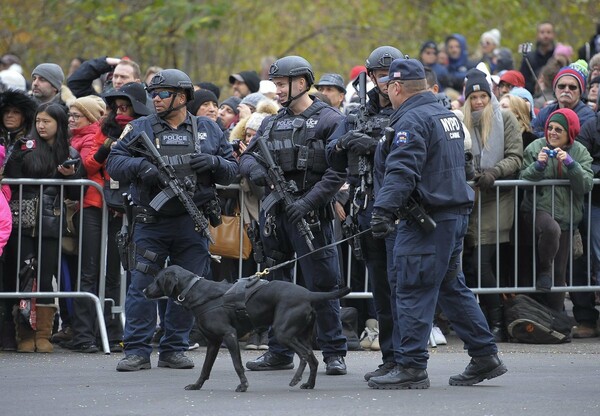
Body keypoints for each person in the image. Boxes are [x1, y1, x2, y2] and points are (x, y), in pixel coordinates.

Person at [367, 58, 506, 389]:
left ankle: (412, 366)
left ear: (398, 88)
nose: (387, 92)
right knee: (449, 286)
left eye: (389, 86)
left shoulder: (412, 120)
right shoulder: (445, 115)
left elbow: (402, 170)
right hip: (451, 214)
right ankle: (485, 355)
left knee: (412, 285)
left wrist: (382, 210)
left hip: (428, 220)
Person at [106, 68, 238, 371]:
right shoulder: (141, 127)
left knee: (189, 289)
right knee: (142, 284)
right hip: (152, 221)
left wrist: (214, 162)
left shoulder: (209, 128)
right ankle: (137, 350)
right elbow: (114, 162)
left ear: (182, 97)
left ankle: (174, 348)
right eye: (153, 93)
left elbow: (232, 169)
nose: (156, 99)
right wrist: (143, 167)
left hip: (192, 222)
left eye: (163, 93)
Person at [239, 55, 348, 375]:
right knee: (276, 286)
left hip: (312, 215)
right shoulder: (272, 121)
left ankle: (333, 352)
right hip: (277, 215)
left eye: (283, 84)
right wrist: (261, 173)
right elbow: (246, 159)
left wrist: (308, 202)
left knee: (323, 283)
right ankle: (280, 350)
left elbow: (336, 172)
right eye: (276, 84)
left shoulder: (329, 119)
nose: (278, 90)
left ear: (302, 83)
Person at [327, 45, 404, 381]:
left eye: (391, 74)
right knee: (383, 292)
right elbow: (331, 154)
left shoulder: (411, 111)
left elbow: (414, 153)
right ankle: (391, 358)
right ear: (371, 76)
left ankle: (407, 359)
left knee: (402, 287)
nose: (386, 81)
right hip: (365, 208)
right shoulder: (358, 112)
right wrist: (345, 143)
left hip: (401, 210)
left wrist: (375, 147)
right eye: (380, 74)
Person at [73, 82, 153, 353]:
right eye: (117, 107)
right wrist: (108, 146)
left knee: (115, 274)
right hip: (95, 206)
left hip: (126, 209)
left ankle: (113, 331)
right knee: (89, 271)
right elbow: (87, 166)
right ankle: (84, 333)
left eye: (126, 106)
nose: (121, 111)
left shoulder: (146, 130)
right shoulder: (101, 131)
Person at [3, 102, 85, 353]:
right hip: (23, 222)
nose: (41, 126)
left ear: (58, 124)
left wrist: (69, 176)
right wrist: (16, 154)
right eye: (38, 121)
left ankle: (43, 334)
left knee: (47, 278)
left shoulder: (68, 151)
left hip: (51, 222)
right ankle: (24, 334)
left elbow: (75, 193)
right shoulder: (24, 147)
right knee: (24, 277)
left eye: (47, 121)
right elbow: (11, 180)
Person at [460, 68, 523, 342]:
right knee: (470, 266)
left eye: (483, 96)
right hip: (469, 198)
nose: (478, 102)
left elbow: (516, 157)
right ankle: (483, 320)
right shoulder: (461, 121)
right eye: (473, 97)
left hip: (497, 198)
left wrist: (494, 172)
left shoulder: (505, 118)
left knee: (481, 263)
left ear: (490, 95)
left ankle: (496, 320)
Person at [520, 108, 593, 311]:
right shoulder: (536, 147)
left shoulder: (580, 151)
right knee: (550, 230)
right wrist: (538, 167)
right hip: (538, 210)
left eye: (558, 129)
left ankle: (557, 319)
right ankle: (544, 271)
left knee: (559, 273)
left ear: (569, 133)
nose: (552, 132)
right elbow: (522, 179)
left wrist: (571, 165)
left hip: (568, 217)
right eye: (549, 128)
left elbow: (586, 185)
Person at [572, 93, 600, 337]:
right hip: (594, 203)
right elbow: (584, 162)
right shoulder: (591, 127)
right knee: (591, 254)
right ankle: (587, 318)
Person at [532, 63, 595, 137]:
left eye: (572, 87)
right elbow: (533, 134)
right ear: (555, 90)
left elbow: (577, 141)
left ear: (580, 92)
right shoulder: (545, 111)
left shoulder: (588, 117)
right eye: (561, 86)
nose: (566, 90)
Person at [67, 57, 143, 98]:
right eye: (115, 76)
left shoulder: (148, 106)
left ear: (137, 82)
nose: (118, 81)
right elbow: (75, 83)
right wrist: (106, 62)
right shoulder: (104, 102)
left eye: (124, 77)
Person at [520, 22, 555, 95]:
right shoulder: (528, 58)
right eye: (542, 32)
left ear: (553, 35)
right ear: (537, 35)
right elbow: (523, 81)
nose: (545, 35)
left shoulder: (557, 57)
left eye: (548, 32)